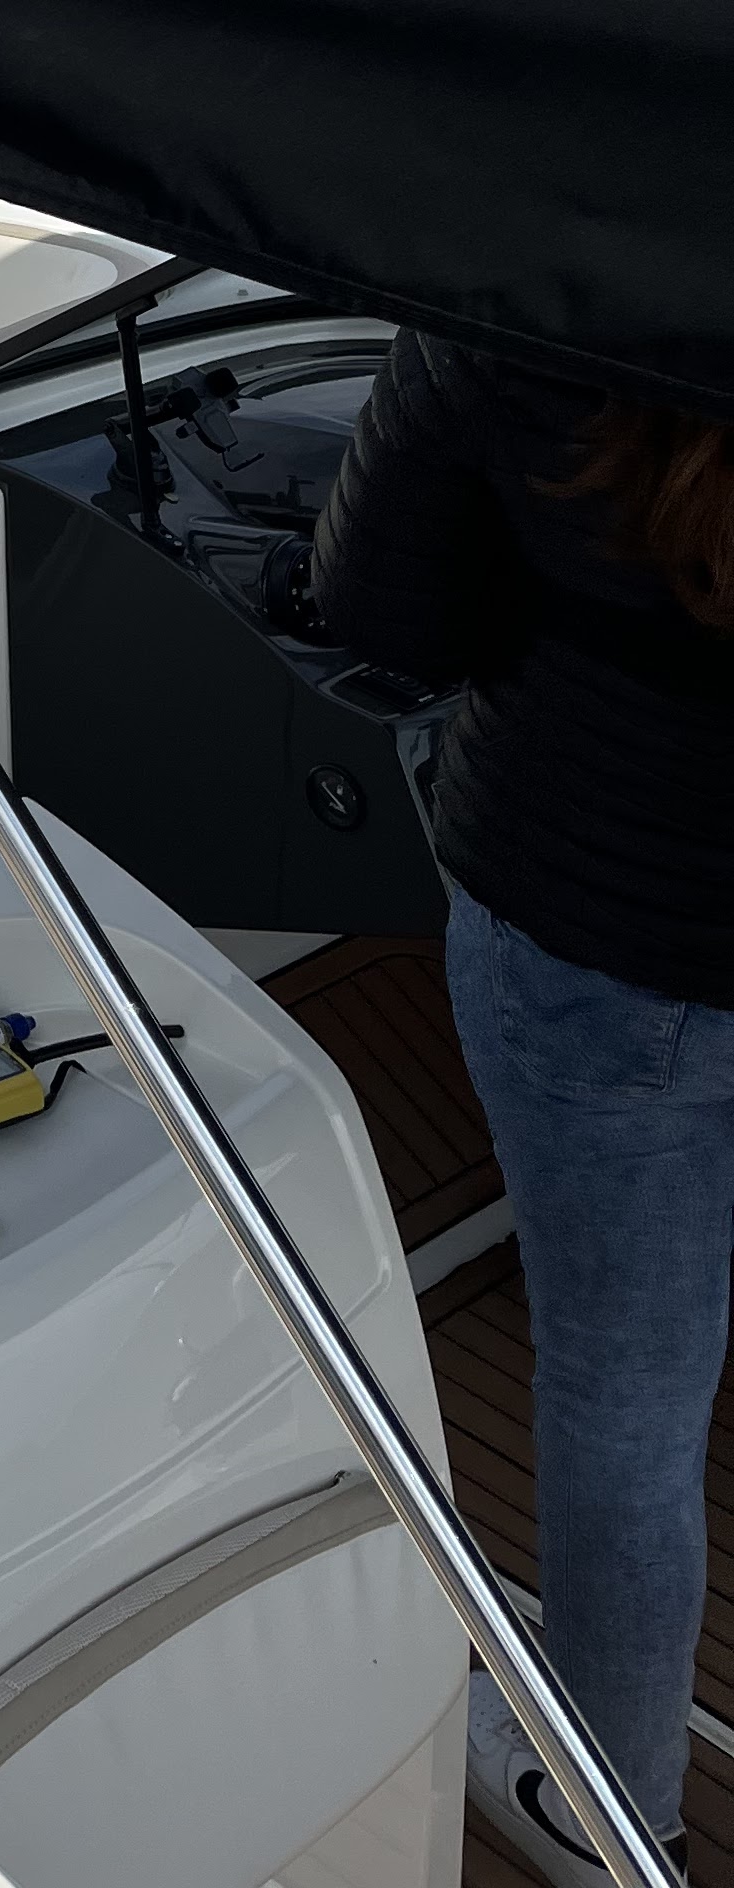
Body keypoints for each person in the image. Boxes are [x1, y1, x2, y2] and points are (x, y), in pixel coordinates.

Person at [315, 335, 734, 1885]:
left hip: (599, 933)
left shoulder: (526, 304)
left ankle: (609, 1809)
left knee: (629, 1404)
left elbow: (383, 614)